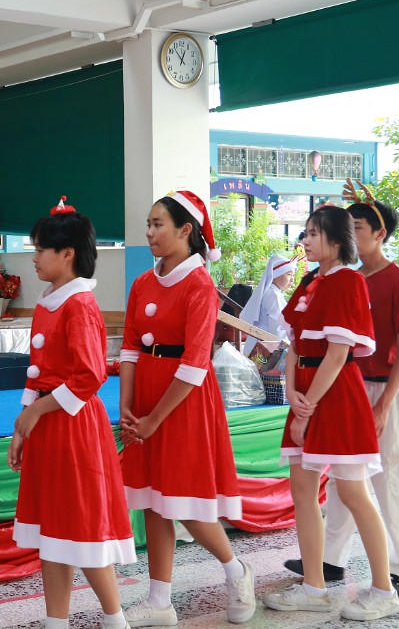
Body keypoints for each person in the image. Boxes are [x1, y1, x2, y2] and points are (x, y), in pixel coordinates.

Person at [119, 190, 256, 627]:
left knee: (185, 502)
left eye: (158, 224)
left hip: (184, 401)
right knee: (153, 500)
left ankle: (237, 571)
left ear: (185, 230)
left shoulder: (199, 285)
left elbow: (196, 362)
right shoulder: (143, 282)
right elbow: (129, 348)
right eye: (149, 223)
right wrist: (128, 408)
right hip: (146, 399)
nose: (149, 232)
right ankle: (160, 601)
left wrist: (154, 419)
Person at [262, 204, 399, 621]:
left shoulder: (349, 282)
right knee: (302, 490)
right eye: (305, 232)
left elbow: (338, 354)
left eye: (313, 233)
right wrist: (292, 392)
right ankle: (314, 586)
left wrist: (306, 407)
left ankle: (384, 590)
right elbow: (294, 345)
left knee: (355, 492)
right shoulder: (310, 281)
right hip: (305, 393)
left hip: (336, 397)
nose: (304, 240)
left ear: (337, 241)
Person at [7, 197, 135, 629]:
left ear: (67, 254)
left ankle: (116, 620)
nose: (34, 257)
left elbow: (89, 375)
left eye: (41, 249)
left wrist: (37, 411)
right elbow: (37, 371)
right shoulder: (49, 302)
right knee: (52, 533)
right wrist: (24, 424)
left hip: (74, 426)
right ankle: (56, 622)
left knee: (81, 529)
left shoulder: (79, 305)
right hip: (48, 424)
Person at [240, 254, 296, 356]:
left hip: (259, 347)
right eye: (289, 274)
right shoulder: (273, 295)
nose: (292, 279)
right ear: (276, 275)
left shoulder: (272, 293)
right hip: (263, 351)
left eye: (293, 275)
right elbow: (277, 330)